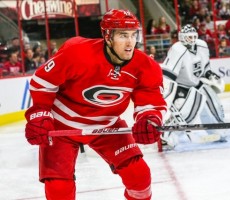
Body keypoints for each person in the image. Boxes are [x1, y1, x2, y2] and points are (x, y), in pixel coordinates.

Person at [24, 9, 166, 200]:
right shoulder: (78, 52)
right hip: (62, 125)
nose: (130, 42)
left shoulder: (145, 66)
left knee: (139, 177)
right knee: (58, 189)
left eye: (133, 35)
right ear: (108, 36)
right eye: (123, 35)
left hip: (106, 126)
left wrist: (149, 119)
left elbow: (150, 100)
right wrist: (39, 113)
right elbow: (43, 81)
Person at [160, 24, 226, 148]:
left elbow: (206, 68)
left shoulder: (202, 45)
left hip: (198, 83)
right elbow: (168, 75)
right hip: (181, 87)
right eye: (188, 37)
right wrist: (168, 94)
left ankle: (219, 129)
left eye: (193, 36)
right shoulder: (177, 49)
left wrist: (210, 75)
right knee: (183, 112)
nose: (192, 39)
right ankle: (167, 137)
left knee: (213, 103)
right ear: (182, 37)